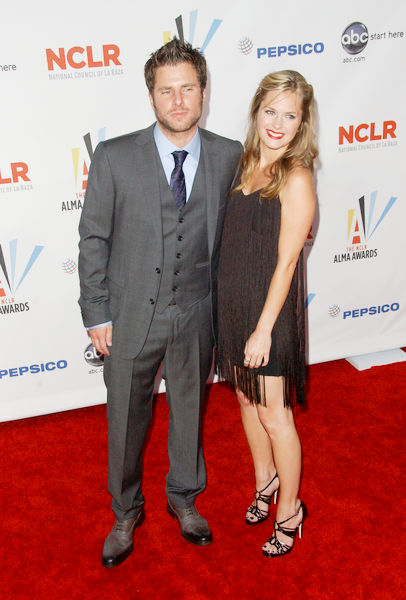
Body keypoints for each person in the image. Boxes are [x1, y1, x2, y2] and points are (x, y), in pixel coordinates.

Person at [78, 38, 242, 568]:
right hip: (128, 316)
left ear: (203, 92)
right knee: (126, 416)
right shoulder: (115, 156)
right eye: (166, 91)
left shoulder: (229, 154)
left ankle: (184, 497)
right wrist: (96, 310)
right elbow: (93, 239)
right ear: (151, 96)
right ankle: (125, 510)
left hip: (197, 312)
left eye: (187, 89)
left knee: (190, 412)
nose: (177, 101)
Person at [216, 70, 317, 557]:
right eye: (270, 111)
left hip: (266, 319)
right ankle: (266, 481)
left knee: (275, 414)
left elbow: (288, 260)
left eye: (290, 114)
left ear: (302, 124)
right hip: (232, 309)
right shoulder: (244, 163)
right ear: (257, 111)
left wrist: (263, 330)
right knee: (246, 402)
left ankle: (290, 509)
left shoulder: (295, 176)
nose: (278, 123)